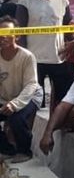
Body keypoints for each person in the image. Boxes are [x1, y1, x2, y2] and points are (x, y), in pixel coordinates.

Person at [16, 0, 74, 110]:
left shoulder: (62, 0)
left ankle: (57, 130)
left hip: (58, 57)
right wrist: (24, 56)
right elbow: (20, 32)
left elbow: (67, 24)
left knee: (61, 99)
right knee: (35, 101)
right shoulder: (25, 1)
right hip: (34, 59)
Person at [0, 16, 43, 163]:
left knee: (17, 118)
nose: (3, 36)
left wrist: (15, 104)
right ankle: (6, 149)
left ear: (17, 35)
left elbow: (31, 84)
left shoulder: (27, 56)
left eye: (7, 32)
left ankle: (25, 151)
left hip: (30, 96)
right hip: (6, 97)